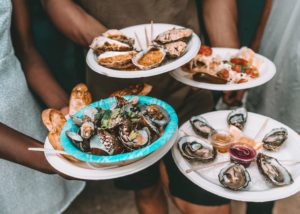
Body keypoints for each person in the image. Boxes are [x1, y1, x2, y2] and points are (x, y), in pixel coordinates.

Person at [42, 0, 240, 213]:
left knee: (209, 202)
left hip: (187, 78)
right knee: (146, 189)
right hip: (118, 96)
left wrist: (228, 62)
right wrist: (116, 48)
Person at [0, 0, 84, 213]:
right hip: (14, 145)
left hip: (22, 117)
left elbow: (26, 51)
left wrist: (66, 110)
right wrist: (49, 160)